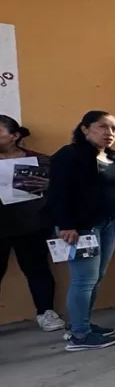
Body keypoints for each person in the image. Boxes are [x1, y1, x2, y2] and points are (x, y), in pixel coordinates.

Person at [46, 111, 115, 351]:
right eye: (102, 127)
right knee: (84, 281)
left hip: (106, 224)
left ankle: (80, 324)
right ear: (85, 128)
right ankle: (79, 336)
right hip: (80, 228)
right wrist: (66, 224)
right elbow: (58, 192)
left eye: (114, 128)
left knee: (95, 279)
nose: (109, 133)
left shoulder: (113, 156)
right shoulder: (69, 155)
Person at [0, 114, 66, 332]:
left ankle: (46, 313)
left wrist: (49, 185)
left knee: (37, 270)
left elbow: (61, 190)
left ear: (14, 136)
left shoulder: (40, 161)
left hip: (31, 226)